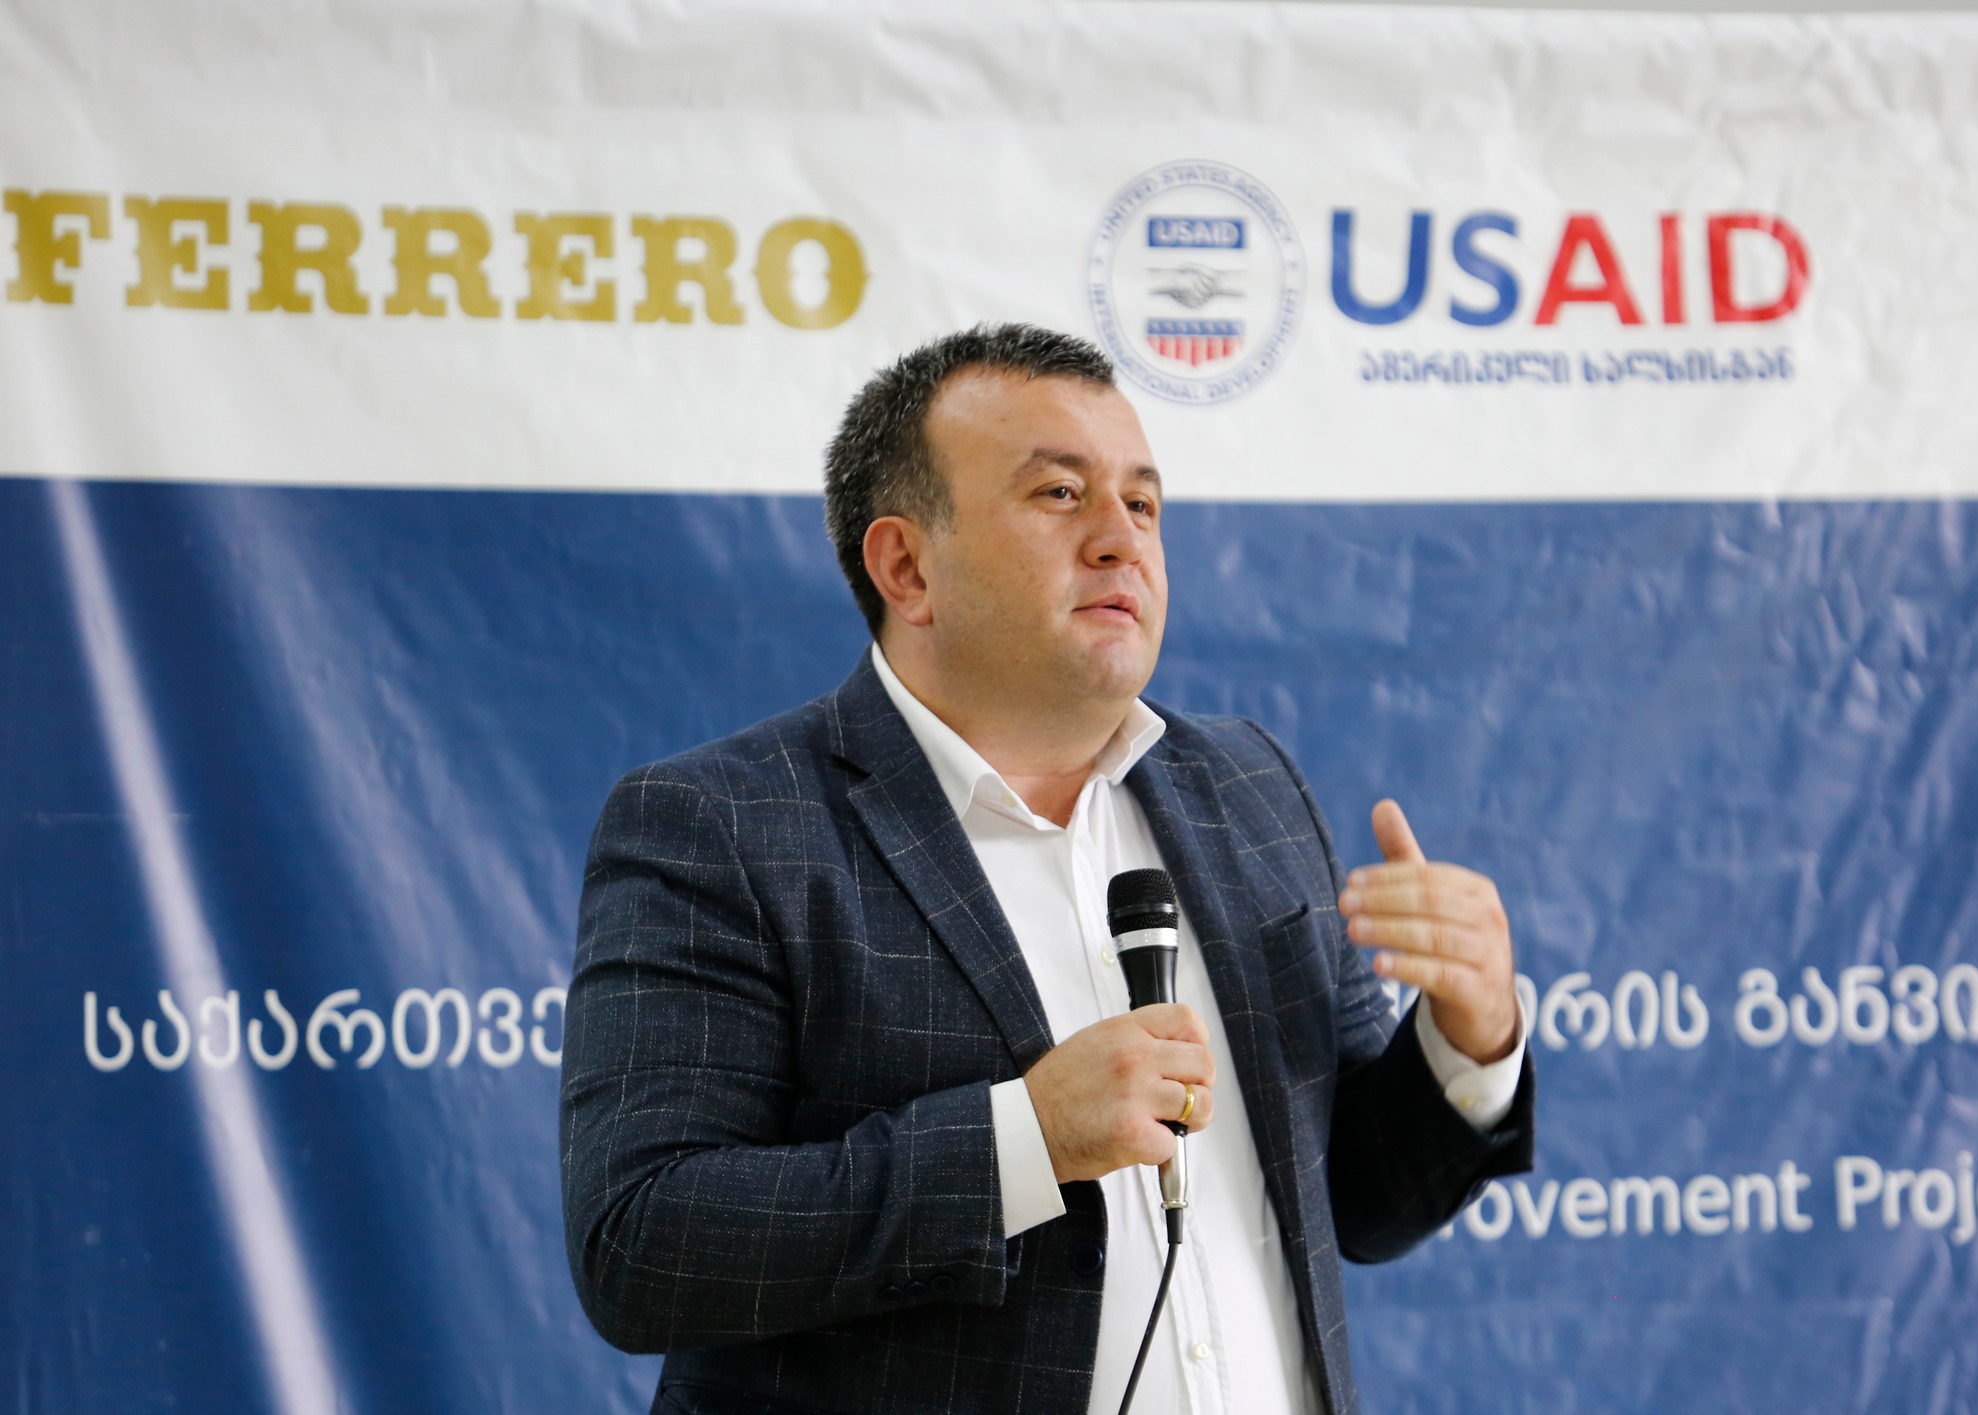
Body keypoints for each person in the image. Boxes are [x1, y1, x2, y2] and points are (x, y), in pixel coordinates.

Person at [559, 324, 1534, 1415]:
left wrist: (1468, 1038)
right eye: (1061, 495)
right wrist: (1021, 1140)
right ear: (906, 566)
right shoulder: (723, 823)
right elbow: (641, 1243)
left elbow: (1357, 1199)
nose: (1121, 540)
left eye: (1143, 503)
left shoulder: (1252, 787)